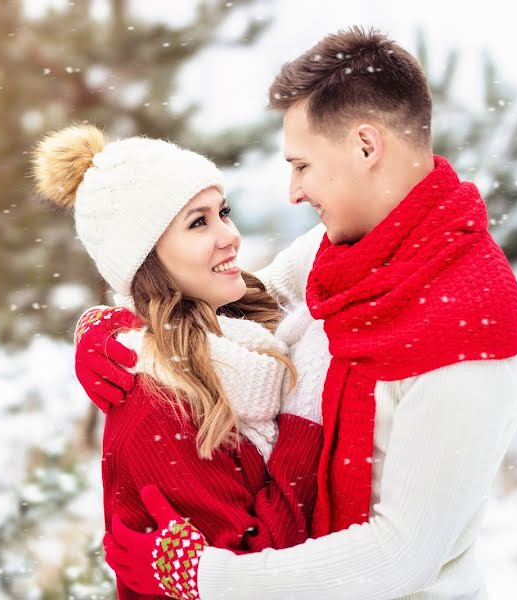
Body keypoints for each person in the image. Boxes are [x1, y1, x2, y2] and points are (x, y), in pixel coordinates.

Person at [77, 27, 517, 599]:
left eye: (302, 165)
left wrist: (206, 576)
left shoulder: (474, 335)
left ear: (366, 146)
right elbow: (232, 299)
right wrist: (119, 330)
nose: (294, 191)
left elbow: (402, 556)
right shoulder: (351, 250)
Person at [31, 124, 323, 599]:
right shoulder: (158, 407)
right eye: (198, 222)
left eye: (222, 212)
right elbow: (262, 571)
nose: (230, 235)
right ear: (146, 261)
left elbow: (336, 246)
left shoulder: (241, 334)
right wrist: (304, 420)